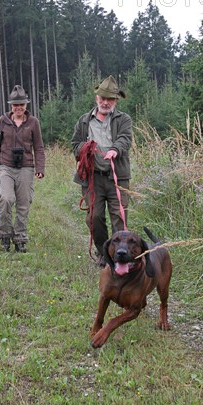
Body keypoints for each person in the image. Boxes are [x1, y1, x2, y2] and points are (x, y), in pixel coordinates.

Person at [72, 75, 132, 266]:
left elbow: (125, 138)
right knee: (94, 217)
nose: (106, 102)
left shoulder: (123, 119)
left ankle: (120, 257)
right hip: (92, 179)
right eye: (103, 98)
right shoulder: (83, 121)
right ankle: (104, 253)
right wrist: (85, 149)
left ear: (116, 101)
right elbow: (74, 145)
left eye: (110, 99)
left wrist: (115, 150)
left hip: (117, 178)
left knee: (119, 218)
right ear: (97, 98)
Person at [0, 85, 45, 253]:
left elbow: (39, 147)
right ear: (11, 106)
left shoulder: (33, 122)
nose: (19, 108)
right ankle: (5, 236)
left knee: (24, 203)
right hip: (6, 166)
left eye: (21, 104)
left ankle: (20, 239)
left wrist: (40, 168)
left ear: (26, 105)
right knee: (5, 199)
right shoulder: (2, 121)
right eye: (15, 105)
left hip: (26, 167)